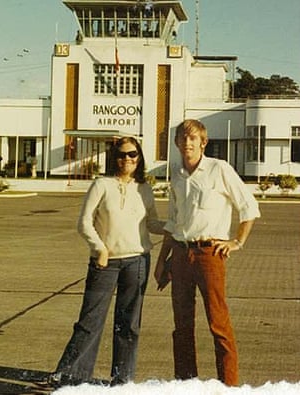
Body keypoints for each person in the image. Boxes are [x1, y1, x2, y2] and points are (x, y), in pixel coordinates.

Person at [50, 136, 164, 387]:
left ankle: (122, 380)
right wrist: (99, 248)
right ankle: (70, 378)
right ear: (114, 158)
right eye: (122, 155)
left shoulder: (144, 188)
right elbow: (84, 223)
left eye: (132, 154)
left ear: (139, 157)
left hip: (137, 262)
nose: (127, 159)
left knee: (129, 325)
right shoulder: (102, 185)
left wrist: (178, 228)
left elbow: (153, 223)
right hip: (105, 263)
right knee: (90, 322)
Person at [154, 119, 261, 386]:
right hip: (180, 254)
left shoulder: (219, 169)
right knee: (182, 326)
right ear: (177, 143)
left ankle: (229, 386)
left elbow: (248, 207)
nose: (187, 143)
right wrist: (162, 261)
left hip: (210, 255)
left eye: (193, 139)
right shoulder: (177, 175)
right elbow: (173, 222)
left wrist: (237, 242)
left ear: (203, 142)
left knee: (218, 323)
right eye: (182, 138)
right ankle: (186, 385)